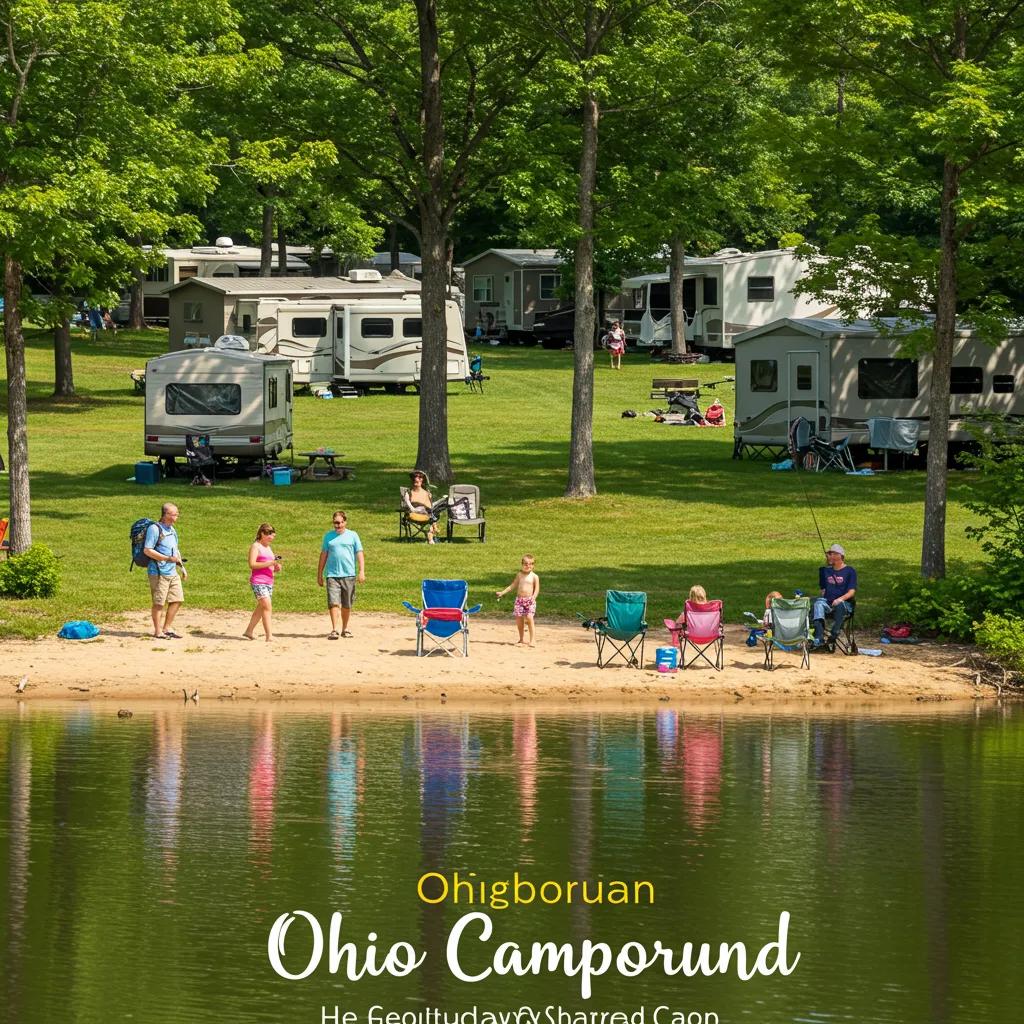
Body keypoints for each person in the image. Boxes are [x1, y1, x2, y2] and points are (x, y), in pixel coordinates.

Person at [317, 510, 365, 639]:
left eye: (340, 523)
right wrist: (319, 574)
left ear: (345, 522)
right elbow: (323, 555)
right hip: (332, 574)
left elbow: (359, 553)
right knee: (333, 602)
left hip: (349, 574)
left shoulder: (353, 535)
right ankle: (334, 629)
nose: (337, 525)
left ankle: (345, 628)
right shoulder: (328, 537)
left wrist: (361, 571)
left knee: (346, 604)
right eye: (335, 523)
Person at [143, 502, 187, 639]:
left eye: (177, 514)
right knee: (159, 603)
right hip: (158, 572)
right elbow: (147, 550)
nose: (177, 517)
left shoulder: (172, 529)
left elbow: (175, 550)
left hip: (172, 572)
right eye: (174, 514)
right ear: (166, 514)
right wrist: (167, 559)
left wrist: (182, 567)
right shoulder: (154, 529)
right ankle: (157, 631)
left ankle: (167, 628)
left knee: (177, 599)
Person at [813, 545, 857, 648]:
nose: (828, 556)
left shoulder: (850, 571)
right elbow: (823, 590)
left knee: (840, 605)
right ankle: (818, 639)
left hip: (845, 604)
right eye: (828, 554)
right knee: (818, 604)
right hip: (828, 603)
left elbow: (851, 592)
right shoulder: (825, 571)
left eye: (831, 554)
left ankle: (833, 635)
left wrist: (839, 599)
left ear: (839, 556)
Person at [244, 523, 281, 642]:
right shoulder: (256, 546)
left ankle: (249, 631)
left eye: (272, 534)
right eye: (269, 534)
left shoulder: (268, 548)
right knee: (267, 607)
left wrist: (276, 566)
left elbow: (269, 563)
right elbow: (252, 564)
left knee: (261, 607)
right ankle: (269, 636)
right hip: (258, 581)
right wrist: (270, 563)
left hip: (269, 581)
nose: (271, 536)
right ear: (262, 534)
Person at [496, 554, 540, 646]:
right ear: (522, 564)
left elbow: (537, 589)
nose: (528, 566)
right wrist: (502, 592)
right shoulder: (519, 575)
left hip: (529, 601)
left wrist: (533, 597)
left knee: (529, 618)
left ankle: (533, 640)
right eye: (526, 564)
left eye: (531, 564)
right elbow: (513, 585)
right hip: (519, 601)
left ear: (533, 565)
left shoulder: (534, 576)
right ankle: (521, 639)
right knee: (519, 619)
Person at [404, 469, 442, 544]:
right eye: (415, 477)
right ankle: (432, 535)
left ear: (422, 481)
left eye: (419, 477)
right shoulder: (408, 492)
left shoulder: (426, 493)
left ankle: (431, 534)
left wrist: (438, 501)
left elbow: (430, 506)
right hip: (414, 513)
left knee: (435, 513)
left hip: (426, 513)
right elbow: (408, 504)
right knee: (432, 517)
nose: (416, 479)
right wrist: (414, 509)